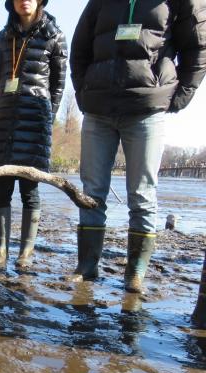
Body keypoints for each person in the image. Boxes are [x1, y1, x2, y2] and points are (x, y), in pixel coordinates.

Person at [70, 0, 206, 292]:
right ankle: (87, 266)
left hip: (146, 106)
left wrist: (180, 95)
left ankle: (135, 273)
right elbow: (79, 48)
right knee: (91, 191)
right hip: (98, 108)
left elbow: (198, 46)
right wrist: (83, 93)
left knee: (142, 193)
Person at [0, 0, 67, 271]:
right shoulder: (3, 37)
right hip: (5, 114)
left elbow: (58, 84)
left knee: (30, 186)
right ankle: (0, 250)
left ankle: (26, 253)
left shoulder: (55, 35)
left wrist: (46, 114)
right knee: (2, 185)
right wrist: (6, 97)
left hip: (35, 115)